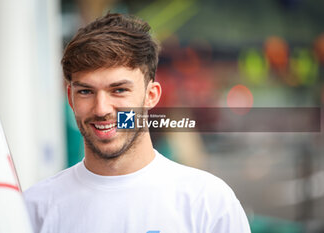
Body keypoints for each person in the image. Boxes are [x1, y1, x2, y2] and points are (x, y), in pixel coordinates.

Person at [24, 13, 251, 233]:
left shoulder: (208, 203)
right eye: (85, 91)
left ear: (151, 95)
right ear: (70, 99)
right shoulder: (34, 209)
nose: (101, 109)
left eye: (119, 90)